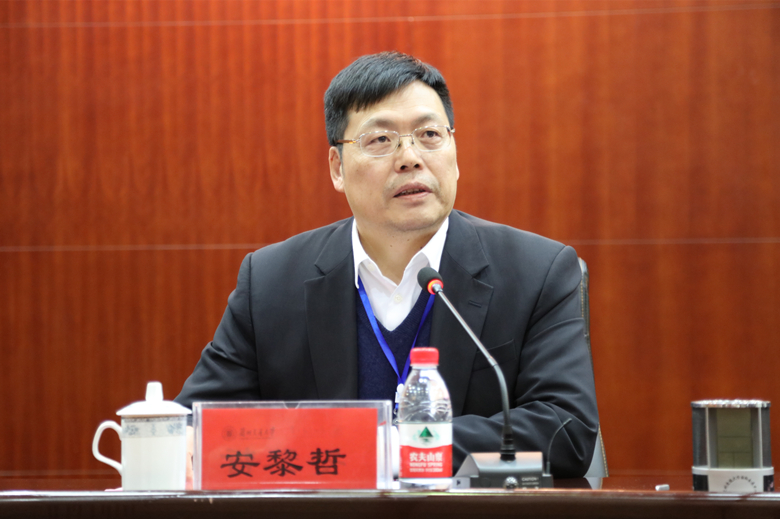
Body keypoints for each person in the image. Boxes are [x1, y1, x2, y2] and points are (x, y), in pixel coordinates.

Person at [175, 51, 599, 477]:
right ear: (337, 168)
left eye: (429, 134)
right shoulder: (271, 282)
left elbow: (566, 428)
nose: (410, 157)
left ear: (455, 153)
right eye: (380, 140)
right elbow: (193, 426)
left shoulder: (536, 272)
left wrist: (392, 448)